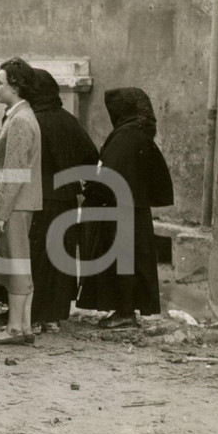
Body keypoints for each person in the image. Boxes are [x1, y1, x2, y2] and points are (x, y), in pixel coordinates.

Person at [77, 87, 173, 328]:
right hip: (132, 209)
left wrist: (89, 187)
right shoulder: (137, 133)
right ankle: (124, 311)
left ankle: (125, 312)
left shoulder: (127, 136)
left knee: (122, 262)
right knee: (128, 262)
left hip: (120, 211)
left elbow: (111, 174)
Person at [26, 69, 99, 334]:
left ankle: (31, 315)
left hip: (36, 199)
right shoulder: (68, 120)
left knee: (36, 257)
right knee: (61, 258)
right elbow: (91, 156)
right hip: (66, 198)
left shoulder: (30, 119)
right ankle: (52, 317)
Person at [0, 57, 43, 346]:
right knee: (19, 263)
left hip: (14, 204)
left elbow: (14, 169)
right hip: (20, 202)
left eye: (0, 83)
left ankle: (15, 328)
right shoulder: (22, 116)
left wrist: (0, 213)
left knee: (15, 265)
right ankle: (24, 326)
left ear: (15, 87)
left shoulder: (19, 120)